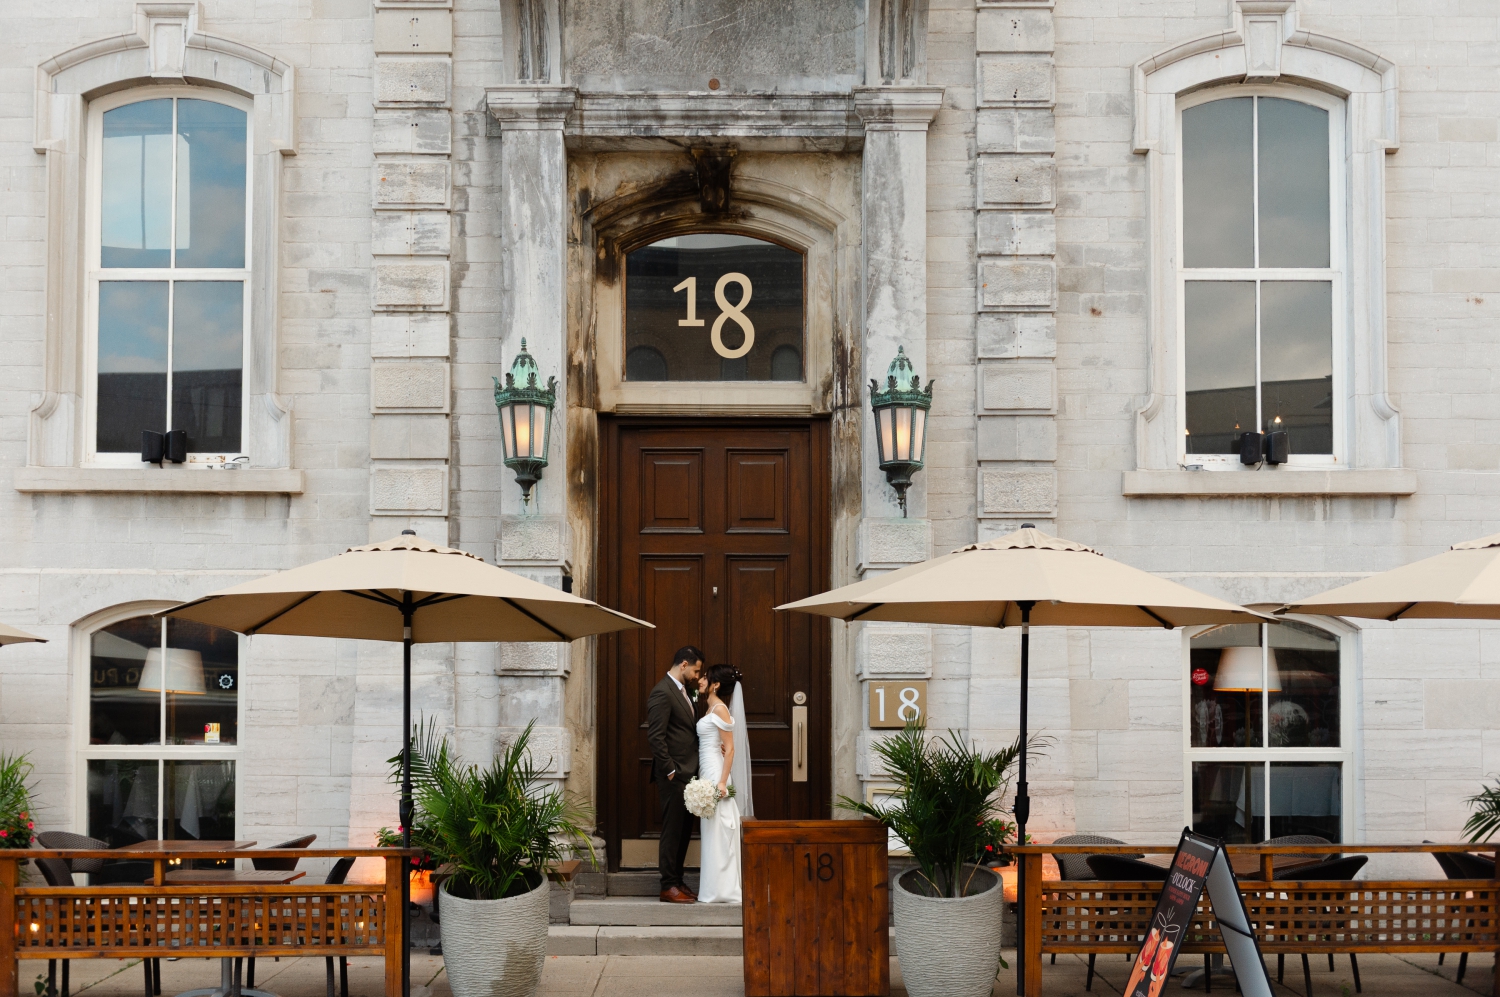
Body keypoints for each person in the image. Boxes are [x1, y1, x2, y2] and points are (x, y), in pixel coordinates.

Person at [645, 645, 704, 903]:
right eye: (696, 671)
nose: (697, 676)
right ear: (684, 664)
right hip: (674, 775)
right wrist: (670, 770)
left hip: (688, 774)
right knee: (672, 831)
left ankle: (677, 881)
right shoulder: (662, 691)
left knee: (683, 831)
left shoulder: (684, 691)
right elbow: (655, 736)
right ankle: (667, 885)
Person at [695, 663, 753, 904]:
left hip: (716, 774)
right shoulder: (711, 709)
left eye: (704, 678)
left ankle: (725, 890)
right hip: (707, 769)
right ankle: (713, 888)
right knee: (712, 831)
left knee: (720, 830)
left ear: (715, 684)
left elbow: (730, 749)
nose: (700, 681)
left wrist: (721, 782)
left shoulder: (720, 709)